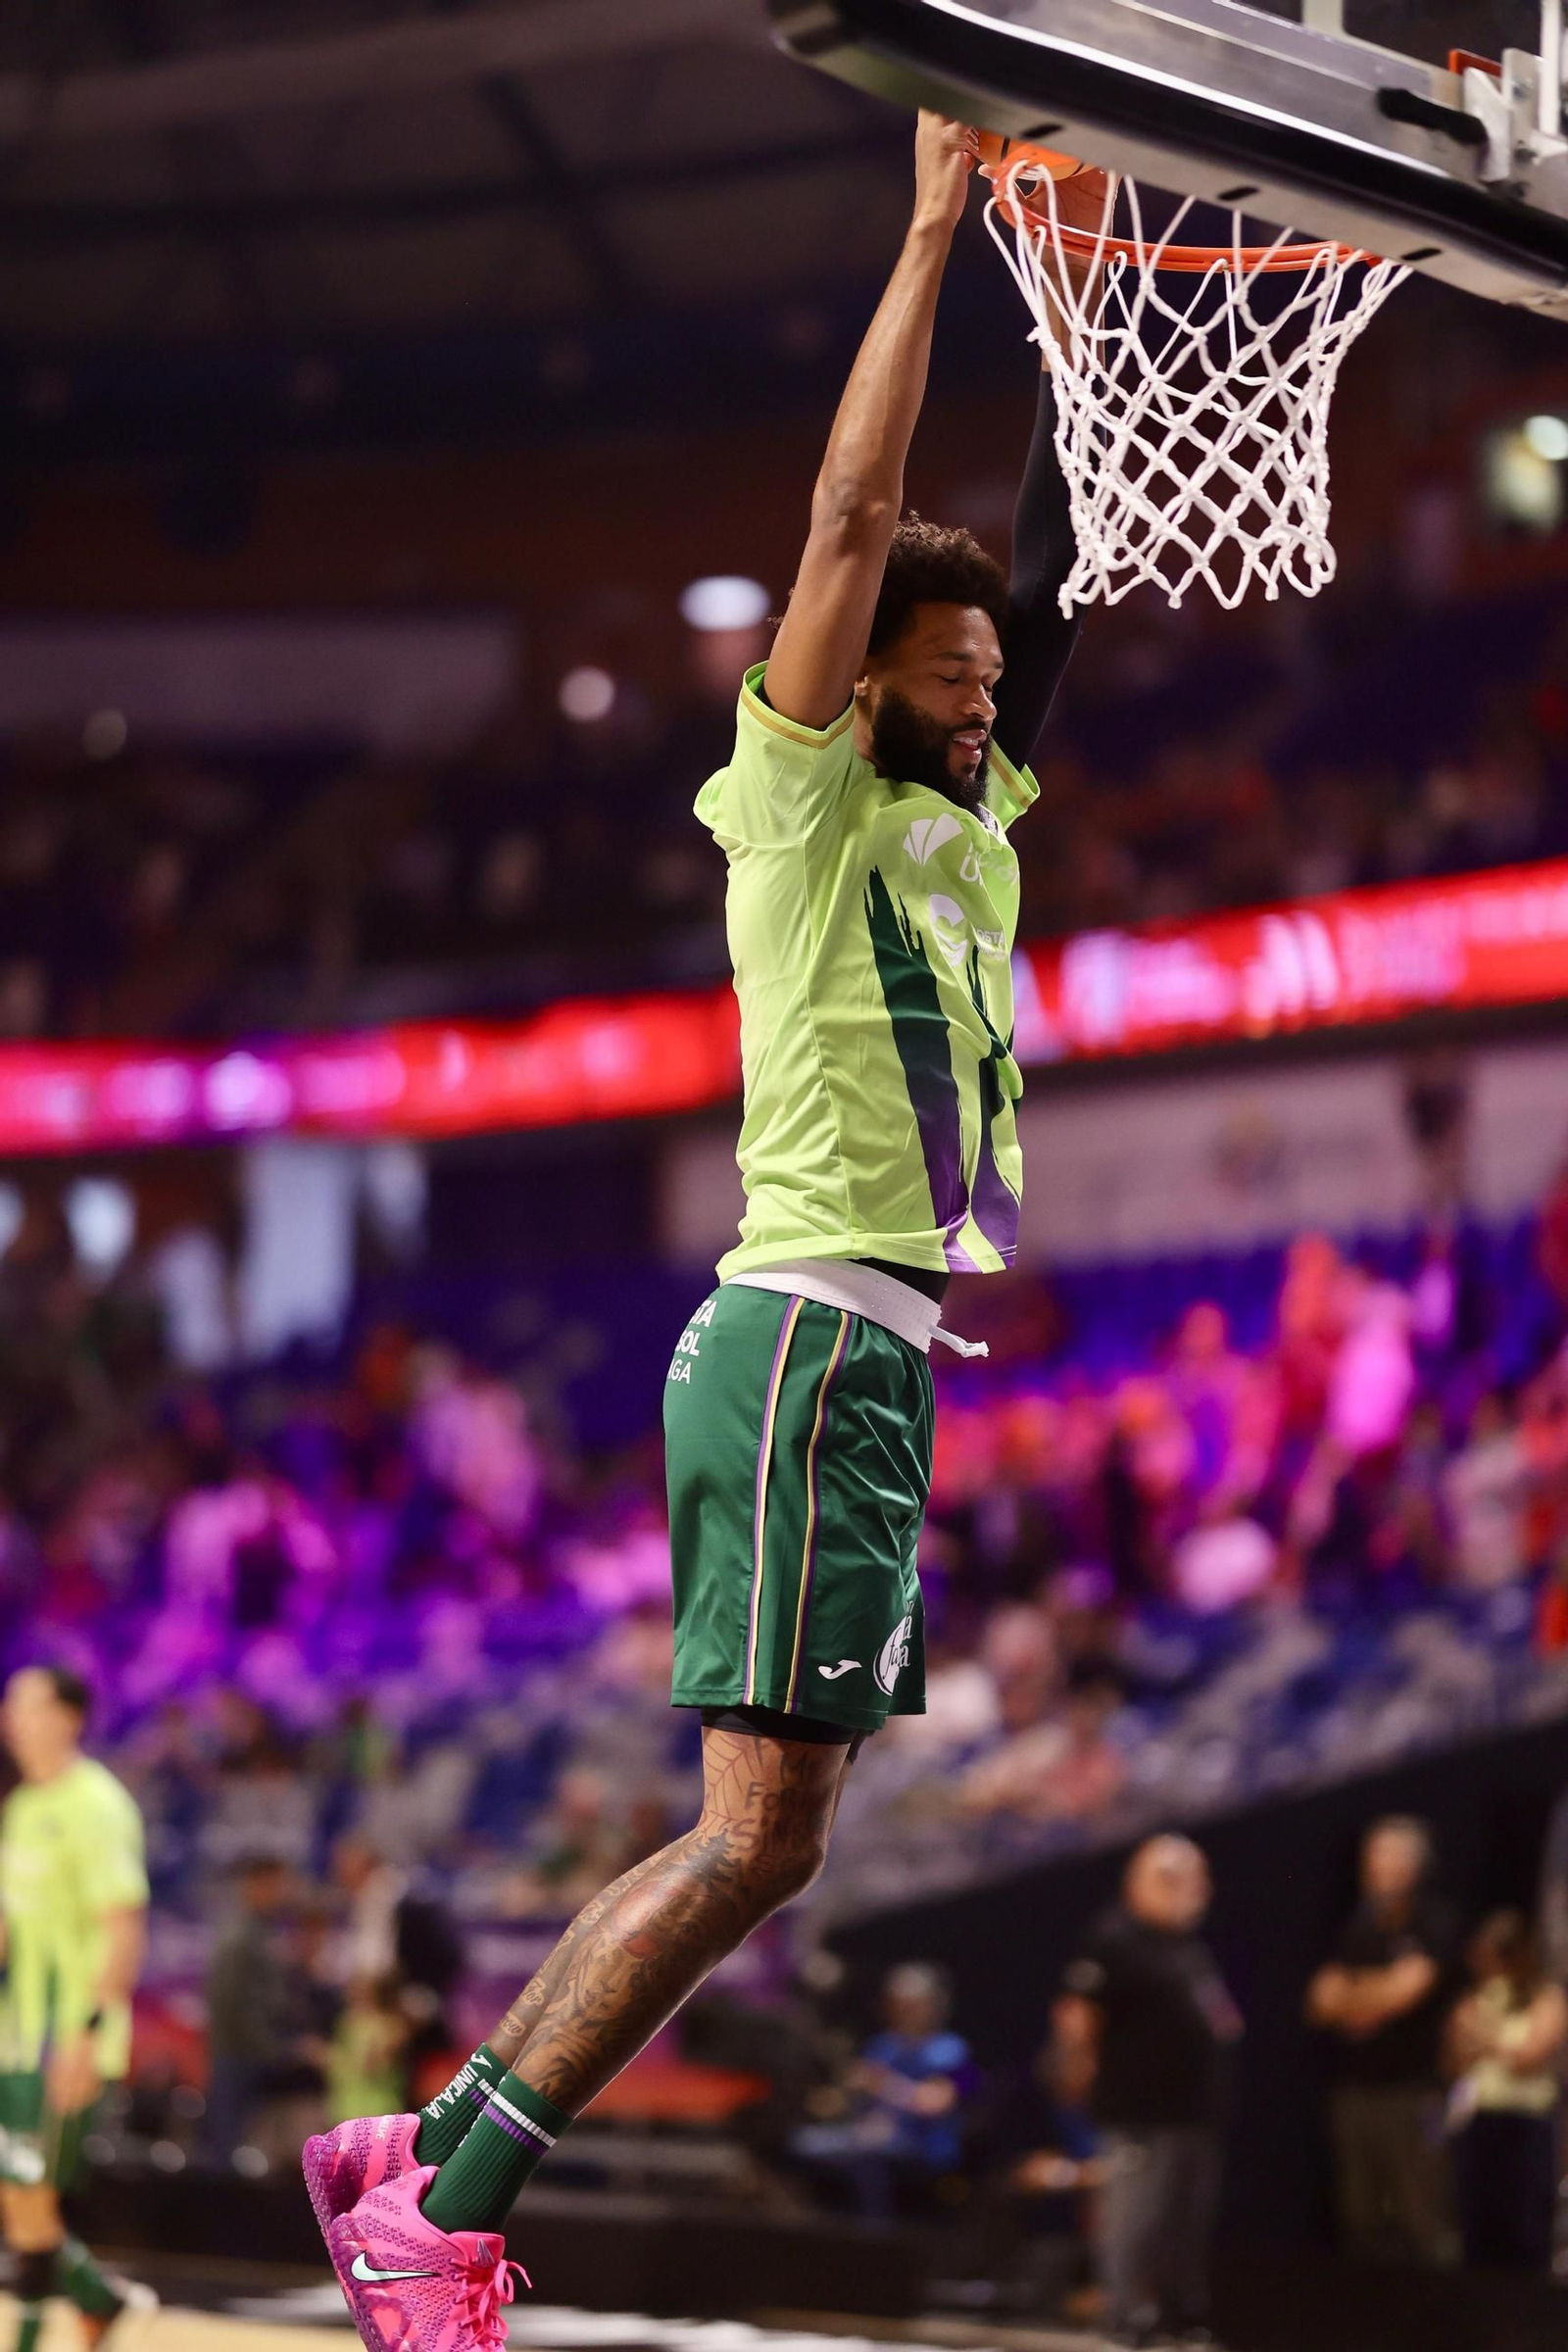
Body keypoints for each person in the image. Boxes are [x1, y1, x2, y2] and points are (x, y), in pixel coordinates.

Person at [306, 111, 1087, 2352]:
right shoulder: (799, 787)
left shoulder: (972, 805)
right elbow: (855, 517)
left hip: (855, 1350)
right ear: (857, 687)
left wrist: (1067, 282)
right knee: (760, 1838)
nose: (972, 694)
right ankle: (437, 2200)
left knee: (768, 1829)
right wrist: (938, 227)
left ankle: (408, 2152)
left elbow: (1037, 572)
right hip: (809, 1330)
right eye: (939, 672)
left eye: (975, 679)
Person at [0, 1667, 153, 2351]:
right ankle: (99, 2300)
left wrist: (87, 2036)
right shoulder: (23, 1807)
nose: (12, 1717)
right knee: (17, 2196)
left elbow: (124, 1925)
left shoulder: (97, 1804)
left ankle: (39, 2331)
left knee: (32, 2199)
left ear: (69, 1716)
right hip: (15, 2034)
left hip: (66, 2038)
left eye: (27, 1704)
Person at [1054, 1836, 1241, 2347]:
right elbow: (1077, 2017)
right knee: (1135, 2221)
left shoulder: (1185, 1946)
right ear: (1146, 1882)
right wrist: (1078, 2077)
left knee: (1184, 2228)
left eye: (1200, 1880)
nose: (1198, 1891)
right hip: (1138, 2111)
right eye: (1181, 1879)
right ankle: (1125, 2319)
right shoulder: (1116, 1937)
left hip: (1192, 2114)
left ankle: (1176, 2320)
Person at [1306, 1815, 1457, 2265]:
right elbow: (1319, 2002)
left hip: (1414, 2094)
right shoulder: (1356, 1926)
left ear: (1416, 1865)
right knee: (1360, 2219)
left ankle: (1441, 2327)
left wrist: (1358, 1996)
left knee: (1424, 2217)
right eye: (1373, 1858)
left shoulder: (1435, 1920)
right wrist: (1377, 1994)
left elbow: (1405, 1994)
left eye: (1391, 1857)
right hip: (1355, 2094)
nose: (1379, 1868)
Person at [790, 1962, 976, 2219]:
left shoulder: (954, 2051)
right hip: (869, 2137)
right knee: (801, 2143)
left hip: (924, 2149)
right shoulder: (881, 2046)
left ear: (934, 2004)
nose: (904, 2010)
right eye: (898, 2002)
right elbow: (854, 2107)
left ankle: (873, 2241)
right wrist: (844, 2095)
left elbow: (935, 2102)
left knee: (868, 2159)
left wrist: (883, 2085)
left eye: (913, 2003)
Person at [1446, 1911, 1566, 2274]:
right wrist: (1486, 2041)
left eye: (1495, 1956)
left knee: (1527, 2229)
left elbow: (1529, 2055)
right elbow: (1455, 2057)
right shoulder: (1476, 1997)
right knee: (1480, 2227)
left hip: (1527, 2124)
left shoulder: (1547, 1997)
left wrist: (1486, 2040)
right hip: (1481, 2122)